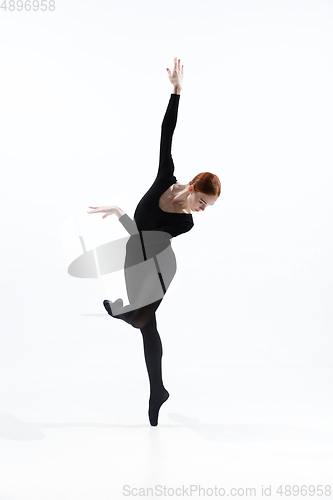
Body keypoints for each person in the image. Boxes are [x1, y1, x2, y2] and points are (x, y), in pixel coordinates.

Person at [87, 57, 221, 426]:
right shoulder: (166, 175)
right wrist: (176, 93)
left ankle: (121, 311)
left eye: (207, 207)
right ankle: (158, 390)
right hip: (136, 255)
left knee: (138, 317)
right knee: (148, 327)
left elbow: (153, 243)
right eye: (202, 202)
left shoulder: (186, 225)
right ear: (193, 187)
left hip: (160, 266)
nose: (202, 210)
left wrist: (125, 219)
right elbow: (167, 131)